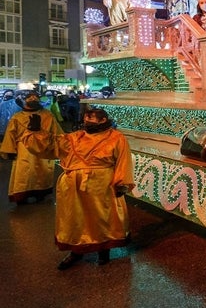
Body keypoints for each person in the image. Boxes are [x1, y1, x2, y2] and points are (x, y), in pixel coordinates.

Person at [23, 107, 134, 269]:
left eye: (91, 118)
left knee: (102, 218)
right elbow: (51, 144)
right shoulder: (75, 137)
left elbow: (123, 161)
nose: (87, 121)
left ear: (103, 120)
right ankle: (76, 251)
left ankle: (103, 251)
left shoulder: (116, 138)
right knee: (74, 219)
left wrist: (122, 183)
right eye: (85, 118)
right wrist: (35, 131)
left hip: (101, 186)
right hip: (72, 187)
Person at [0, 92, 63, 204]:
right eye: (30, 97)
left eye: (35, 97)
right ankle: (22, 196)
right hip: (24, 151)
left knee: (42, 174)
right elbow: (10, 135)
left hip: (44, 150)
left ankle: (40, 194)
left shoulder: (48, 115)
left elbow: (57, 133)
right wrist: (10, 150)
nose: (33, 98)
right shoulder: (17, 117)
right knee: (24, 174)